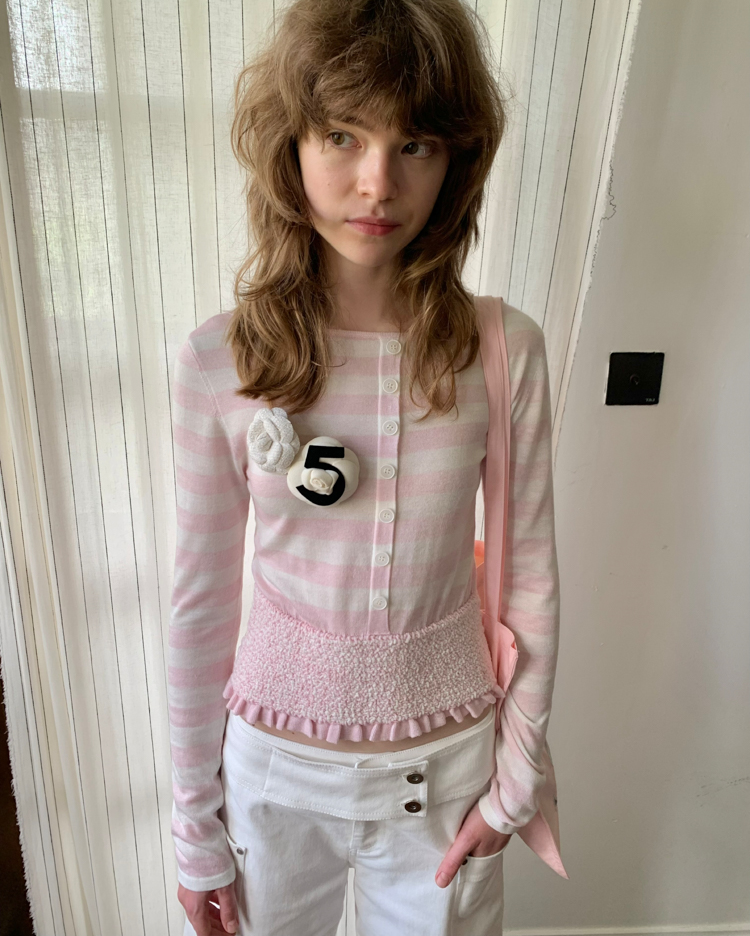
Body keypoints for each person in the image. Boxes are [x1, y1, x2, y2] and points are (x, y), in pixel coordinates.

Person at [168, 0, 564, 933]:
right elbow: (199, 605)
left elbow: (533, 583)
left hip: (448, 779)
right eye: (343, 135)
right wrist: (194, 828)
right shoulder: (219, 360)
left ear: (455, 160)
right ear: (291, 147)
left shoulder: (501, 350)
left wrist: (514, 787)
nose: (377, 183)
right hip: (269, 776)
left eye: (414, 143)